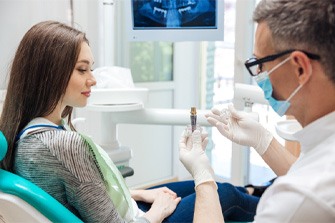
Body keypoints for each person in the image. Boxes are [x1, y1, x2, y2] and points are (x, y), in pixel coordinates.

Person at [0, 20, 264, 223]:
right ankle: (279, 204)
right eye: (82, 69)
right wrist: (156, 212)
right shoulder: (63, 144)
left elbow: (84, 197)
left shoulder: (27, 133)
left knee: (212, 188)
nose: (92, 79)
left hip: (127, 209)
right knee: (224, 195)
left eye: (91, 68)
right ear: (49, 73)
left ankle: (258, 191)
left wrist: (138, 194)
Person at [180, 0, 335, 222]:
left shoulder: (300, 198)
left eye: (260, 63)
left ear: (300, 67)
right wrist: (263, 140)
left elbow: (307, 190)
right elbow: (307, 171)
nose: (259, 74)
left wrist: (203, 178)